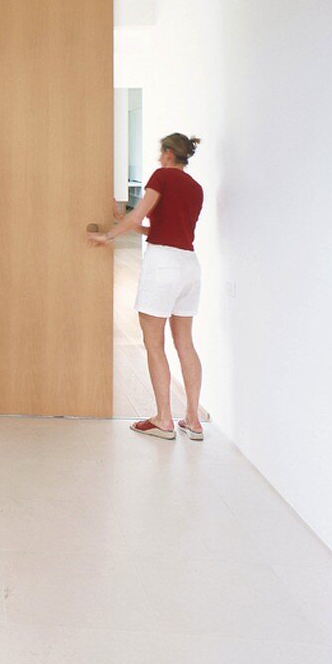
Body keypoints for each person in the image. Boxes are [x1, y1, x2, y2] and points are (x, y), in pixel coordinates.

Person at [88, 133, 205, 440]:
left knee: (154, 344)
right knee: (185, 344)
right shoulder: (195, 188)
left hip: (163, 267)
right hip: (189, 267)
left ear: (168, 153)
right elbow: (164, 229)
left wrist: (109, 235)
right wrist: (125, 221)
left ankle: (164, 419)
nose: (158, 158)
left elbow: (141, 216)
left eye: (160, 152)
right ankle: (193, 420)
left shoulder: (162, 176)